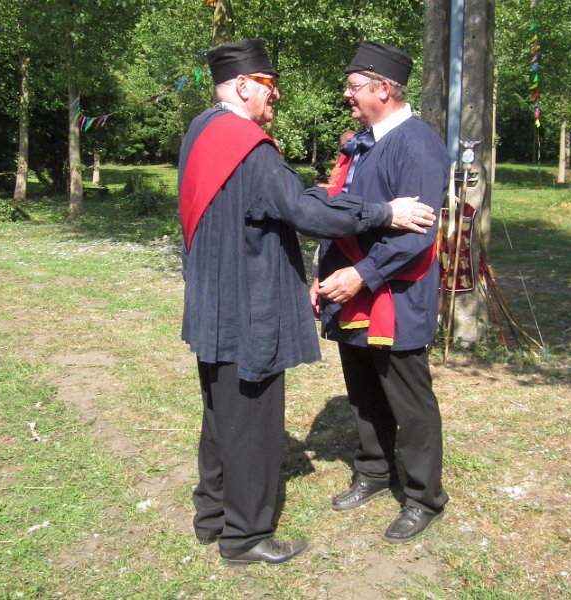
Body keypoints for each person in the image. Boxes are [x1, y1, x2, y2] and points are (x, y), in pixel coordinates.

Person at [178, 39, 435, 565]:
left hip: (214, 301)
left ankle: (212, 514)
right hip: (248, 305)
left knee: (220, 411)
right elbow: (303, 208)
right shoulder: (247, 145)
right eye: (269, 87)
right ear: (245, 86)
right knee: (249, 419)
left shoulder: (201, 130)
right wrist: (383, 212)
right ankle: (245, 536)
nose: (274, 99)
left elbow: (307, 199)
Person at [311, 41, 450, 544]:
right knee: (364, 392)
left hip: (394, 296)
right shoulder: (362, 141)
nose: (347, 97)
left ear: (383, 88)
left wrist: (362, 275)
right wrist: (325, 274)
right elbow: (342, 211)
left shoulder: (417, 145)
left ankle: (423, 497)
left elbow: (419, 231)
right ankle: (373, 471)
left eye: (353, 88)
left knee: (409, 401)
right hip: (353, 293)